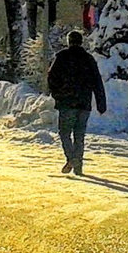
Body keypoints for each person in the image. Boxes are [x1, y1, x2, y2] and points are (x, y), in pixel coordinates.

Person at [47, 29, 106, 176]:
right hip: (84, 103)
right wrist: (101, 103)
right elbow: (97, 82)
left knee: (65, 133)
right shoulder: (89, 59)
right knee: (79, 135)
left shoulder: (62, 57)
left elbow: (51, 77)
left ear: (69, 42)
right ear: (81, 42)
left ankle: (71, 158)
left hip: (67, 103)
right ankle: (78, 166)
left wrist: (57, 94)